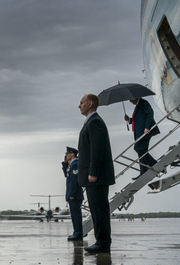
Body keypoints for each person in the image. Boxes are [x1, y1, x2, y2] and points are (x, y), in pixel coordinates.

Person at [77, 94, 115, 253]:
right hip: (93, 178)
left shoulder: (95, 123)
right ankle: (102, 241)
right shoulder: (91, 122)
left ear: (90, 104)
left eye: (81, 103)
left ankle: (103, 242)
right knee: (96, 210)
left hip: (96, 178)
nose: (79, 106)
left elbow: (97, 150)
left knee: (99, 210)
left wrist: (93, 173)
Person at [124, 98, 160, 179]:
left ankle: (153, 163)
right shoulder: (138, 105)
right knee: (142, 151)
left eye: (130, 99)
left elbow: (150, 113)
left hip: (145, 132)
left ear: (135, 97)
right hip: (139, 133)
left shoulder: (143, 103)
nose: (130, 101)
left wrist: (147, 127)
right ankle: (143, 171)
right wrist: (129, 119)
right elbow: (138, 120)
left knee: (138, 148)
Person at [62, 146, 84, 240]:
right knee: (74, 216)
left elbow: (75, 181)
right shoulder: (71, 165)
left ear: (72, 154)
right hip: (71, 194)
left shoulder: (75, 164)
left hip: (74, 195)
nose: (66, 155)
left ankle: (78, 234)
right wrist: (64, 164)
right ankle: (76, 232)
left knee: (76, 215)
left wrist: (72, 194)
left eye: (67, 154)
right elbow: (66, 176)